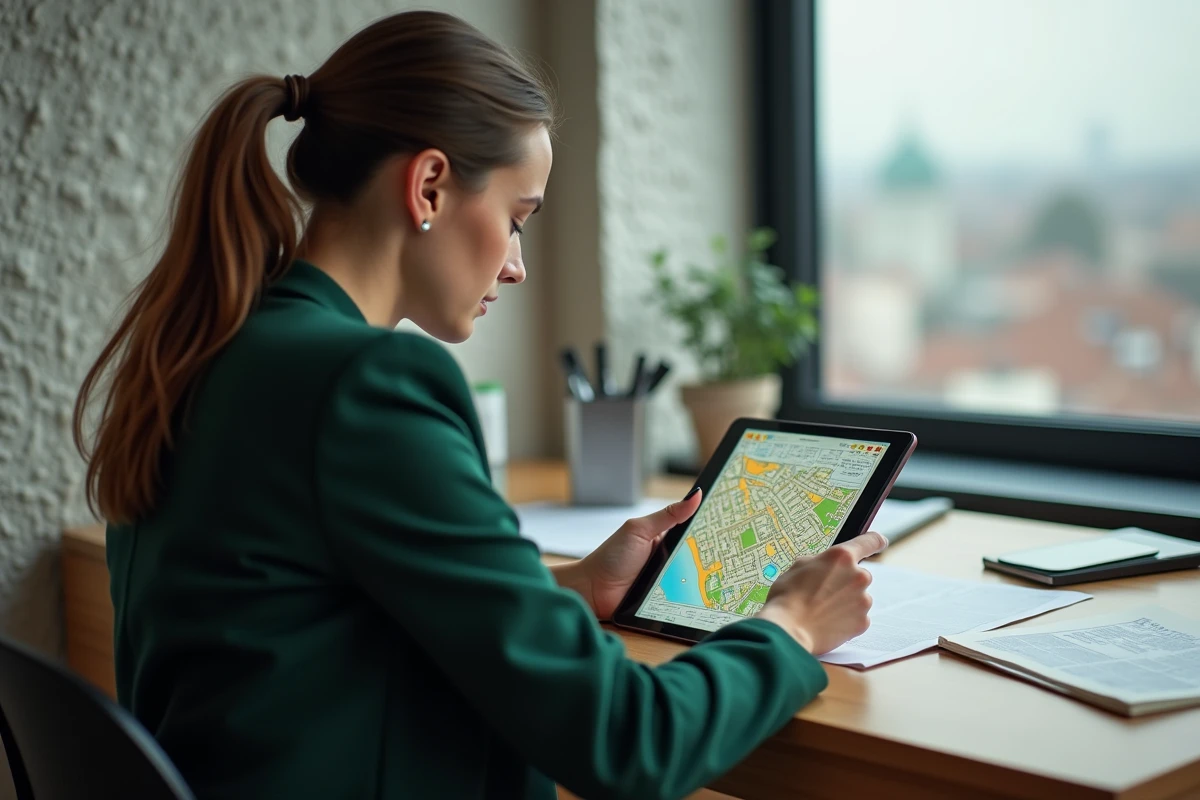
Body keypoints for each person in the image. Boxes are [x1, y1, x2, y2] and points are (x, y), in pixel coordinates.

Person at [73, 10, 885, 800]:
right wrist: (792, 627)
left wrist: (564, 591)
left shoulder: (209, 346)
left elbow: (321, 617)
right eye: (516, 218)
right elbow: (630, 744)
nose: (518, 266)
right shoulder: (369, 383)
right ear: (428, 185)